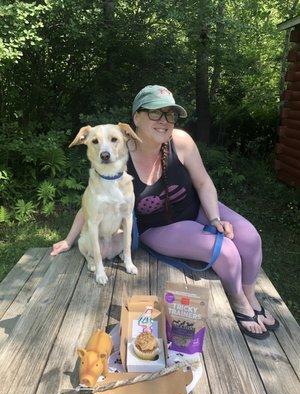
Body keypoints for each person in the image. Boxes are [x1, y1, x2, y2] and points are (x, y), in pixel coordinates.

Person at [51, 84, 279, 339]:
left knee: (249, 238)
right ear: (136, 117)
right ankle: (239, 303)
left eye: (170, 114)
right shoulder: (118, 151)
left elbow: (203, 182)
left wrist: (214, 218)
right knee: (226, 252)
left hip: (196, 210)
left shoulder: (180, 141)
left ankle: (251, 298)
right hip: (158, 227)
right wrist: (69, 240)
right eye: (155, 113)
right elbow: (91, 202)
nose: (165, 121)